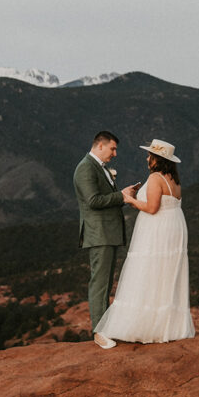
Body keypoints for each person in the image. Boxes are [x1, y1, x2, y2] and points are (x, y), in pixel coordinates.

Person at [93, 139, 196, 347]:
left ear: (158, 159)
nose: (148, 159)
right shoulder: (174, 179)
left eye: (150, 156)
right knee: (166, 274)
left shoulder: (156, 177)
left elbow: (151, 208)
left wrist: (128, 199)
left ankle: (143, 325)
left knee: (147, 272)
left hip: (157, 229)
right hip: (174, 226)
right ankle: (167, 325)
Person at [73, 130, 132, 349]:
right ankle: (99, 331)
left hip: (107, 233)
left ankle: (106, 327)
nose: (115, 154)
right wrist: (123, 196)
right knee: (99, 283)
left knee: (106, 282)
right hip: (99, 234)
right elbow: (93, 200)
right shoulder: (85, 168)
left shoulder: (98, 167)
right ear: (100, 146)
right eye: (112, 148)